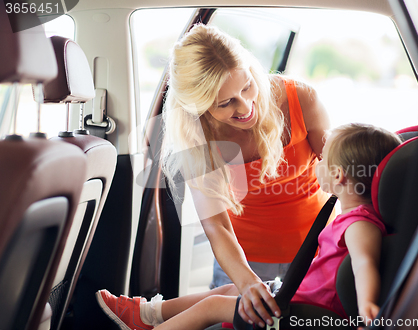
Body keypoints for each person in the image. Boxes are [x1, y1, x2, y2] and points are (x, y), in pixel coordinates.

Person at [96, 123, 402, 330]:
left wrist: (368, 309)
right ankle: (147, 315)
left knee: (214, 304)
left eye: (323, 161)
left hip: (303, 315)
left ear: (338, 177)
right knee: (231, 288)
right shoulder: (346, 214)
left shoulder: (360, 223)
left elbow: (363, 263)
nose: (316, 165)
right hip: (294, 298)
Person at [156, 23, 330, 326]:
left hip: (314, 252)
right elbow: (217, 227)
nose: (246, 105)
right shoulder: (197, 136)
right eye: (226, 103)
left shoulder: (302, 99)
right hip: (240, 263)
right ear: (198, 106)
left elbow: (338, 172)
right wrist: (247, 281)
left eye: (247, 86)